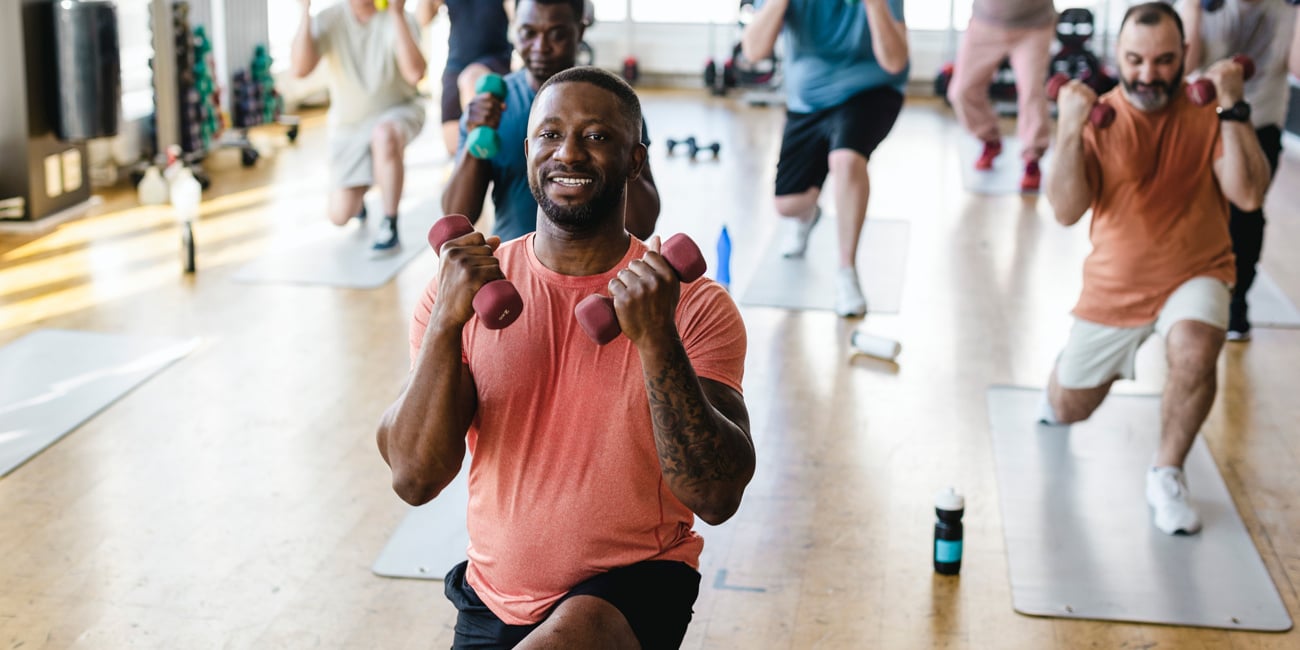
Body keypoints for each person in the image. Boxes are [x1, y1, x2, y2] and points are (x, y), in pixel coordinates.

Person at [377, 66, 754, 648]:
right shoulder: (465, 292)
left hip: (634, 588)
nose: (569, 153)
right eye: (549, 135)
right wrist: (447, 324)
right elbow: (415, 478)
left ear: (635, 160)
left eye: (597, 136)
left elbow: (717, 495)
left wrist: (657, 341)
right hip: (494, 596)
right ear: (527, 150)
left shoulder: (692, 305)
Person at [1041, 3, 1270, 535]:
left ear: (1185, 55)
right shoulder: (1102, 118)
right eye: (1136, 61)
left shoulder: (1206, 113)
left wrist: (1233, 105)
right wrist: (1069, 131)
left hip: (1198, 269)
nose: (1149, 75)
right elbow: (1067, 210)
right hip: (1116, 287)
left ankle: (1166, 471)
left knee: (1195, 346)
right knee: (1069, 405)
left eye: (1164, 60)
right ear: (1116, 57)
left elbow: (1249, 194)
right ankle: (1062, 376)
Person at [741, 0, 910, 318]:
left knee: (846, 160)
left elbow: (895, 61)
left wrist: (874, 7)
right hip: (808, 101)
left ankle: (846, 271)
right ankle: (808, 217)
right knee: (788, 205)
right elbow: (753, 51)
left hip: (870, 90)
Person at [442, 0, 660, 243]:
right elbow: (457, 217)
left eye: (557, 35)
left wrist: (620, 142)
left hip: (600, 270)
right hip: (513, 270)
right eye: (528, 33)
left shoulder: (614, 106)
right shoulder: (492, 106)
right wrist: (476, 140)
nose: (541, 47)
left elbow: (642, 225)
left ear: (580, 31)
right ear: (515, 29)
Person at [1179, 0, 1300, 341]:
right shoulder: (1207, 7)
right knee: (1196, 211)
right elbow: (1186, 63)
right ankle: (1189, 289)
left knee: (1247, 215)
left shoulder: (1287, 8)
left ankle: (1237, 300)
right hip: (1201, 124)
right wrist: (1192, 8)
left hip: (1259, 124)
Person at [291, 0, 427, 251]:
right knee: (340, 215)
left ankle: (390, 221)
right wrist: (304, 11)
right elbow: (300, 69)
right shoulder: (329, 18)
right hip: (349, 127)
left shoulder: (398, 15)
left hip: (400, 111)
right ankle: (367, 185)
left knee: (383, 135)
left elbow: (415, 73)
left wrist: (396, 13)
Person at [947, 0, 1056, 192]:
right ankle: (989, 139)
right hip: (986, 23)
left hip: (1034, 26)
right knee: (961, 91)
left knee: (1032, 92)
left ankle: (1032, 159)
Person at [417, 0, 515, 158]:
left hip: (494, 61)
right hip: (456, 64)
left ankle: (492, 169)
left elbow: (518, 18)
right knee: (454, 146)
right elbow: (423, 18)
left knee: (470, 79)